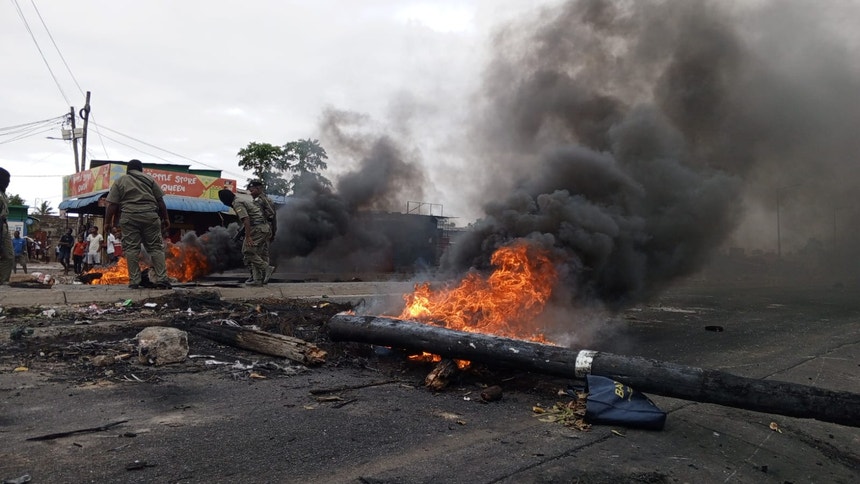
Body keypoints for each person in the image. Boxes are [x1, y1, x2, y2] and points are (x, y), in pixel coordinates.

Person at [105, 159, 172, 289]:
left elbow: (112, 205)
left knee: (131, 249)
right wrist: (166, 218)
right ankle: (162, 279)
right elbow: (160, 201)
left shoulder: (120, 181)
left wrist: (108, 222)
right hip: (150, 216)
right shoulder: (150, 180)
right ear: (141, 169)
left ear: (128, 169)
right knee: (156, 248)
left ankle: (134, 281)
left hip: (129, 217)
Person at [218, 188, 270, 286]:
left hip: (258, 229)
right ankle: (256, 278)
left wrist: (248, 236)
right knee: (253, 254)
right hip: (262, 228)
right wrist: (240, 235)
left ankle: (266, 268)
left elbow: (246, 220)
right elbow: (248, 219)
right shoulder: (240, 200)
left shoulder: (237, 203)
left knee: (248, 252)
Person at [247, 180, 277, 283]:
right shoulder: (263, 200)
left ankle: (257, 278)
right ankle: (262, 277)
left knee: (254, 253)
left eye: (252, 190)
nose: (250, 193)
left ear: (259, 189)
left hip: (261, 230)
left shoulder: (261, 200)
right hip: (265, 230)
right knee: (263, 253)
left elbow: (271, 216)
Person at [0, 167, 12, 285]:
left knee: (8, 256)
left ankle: (3, 282)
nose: (8, 182)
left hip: (3, 224)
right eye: (6, 179)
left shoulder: (3, 194)